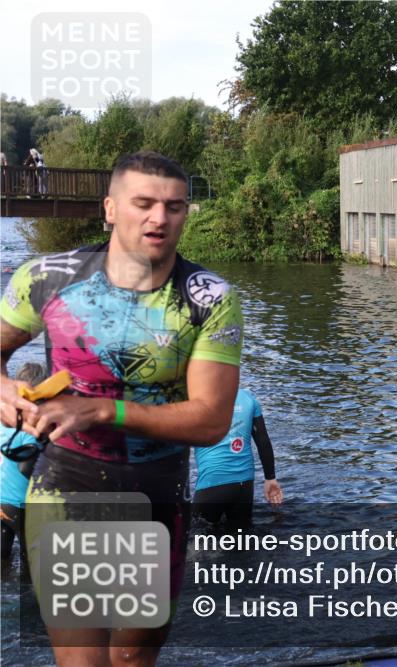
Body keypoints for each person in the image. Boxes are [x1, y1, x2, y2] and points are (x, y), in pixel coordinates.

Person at [0, 151, 243, 666]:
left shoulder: (210, 298)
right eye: (144, 203)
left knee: (133, 658)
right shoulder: (48, 278)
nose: (160, 218)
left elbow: (211, 419)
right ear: (110, 209)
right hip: (66, 485)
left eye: (174, 206)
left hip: (158, 491)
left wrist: (102, 411)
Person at [193, 387, 283, 528]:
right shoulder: (249, 399)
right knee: (241, 542)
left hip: (211, 483)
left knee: (198, 541)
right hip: (244, 486)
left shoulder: (195, 400)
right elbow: (263, 441)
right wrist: (270, 478)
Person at [0, 362, 46, 568]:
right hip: (24, 507)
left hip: (2, 504)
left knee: (2, 560)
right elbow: (26, 468)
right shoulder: (34, 433)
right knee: (32, 566)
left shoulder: (3, 424)